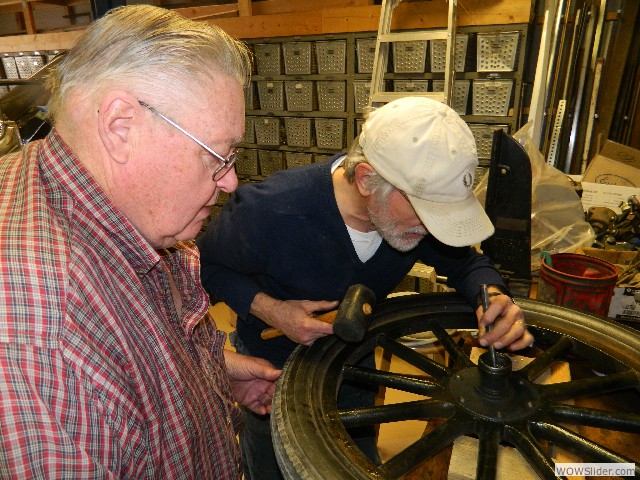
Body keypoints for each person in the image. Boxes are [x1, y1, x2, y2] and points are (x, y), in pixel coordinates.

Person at [0, 5, 282, 479]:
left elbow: (124, 358)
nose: (231, 181)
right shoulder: (51, 343)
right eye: (218, 155)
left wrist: (211, 374)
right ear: (120, 127)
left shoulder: (123, 211)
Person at [197, 96, 534, 478]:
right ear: (366, 180)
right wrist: (271, 309)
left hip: (355, 368)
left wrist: (492, 295)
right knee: (274, 466)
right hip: (269, 376)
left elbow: (468, 263)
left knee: (355, 465)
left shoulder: (414, 221)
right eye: (427, 214)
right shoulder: (270, 212)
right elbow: (207, 266)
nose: (433, 230)